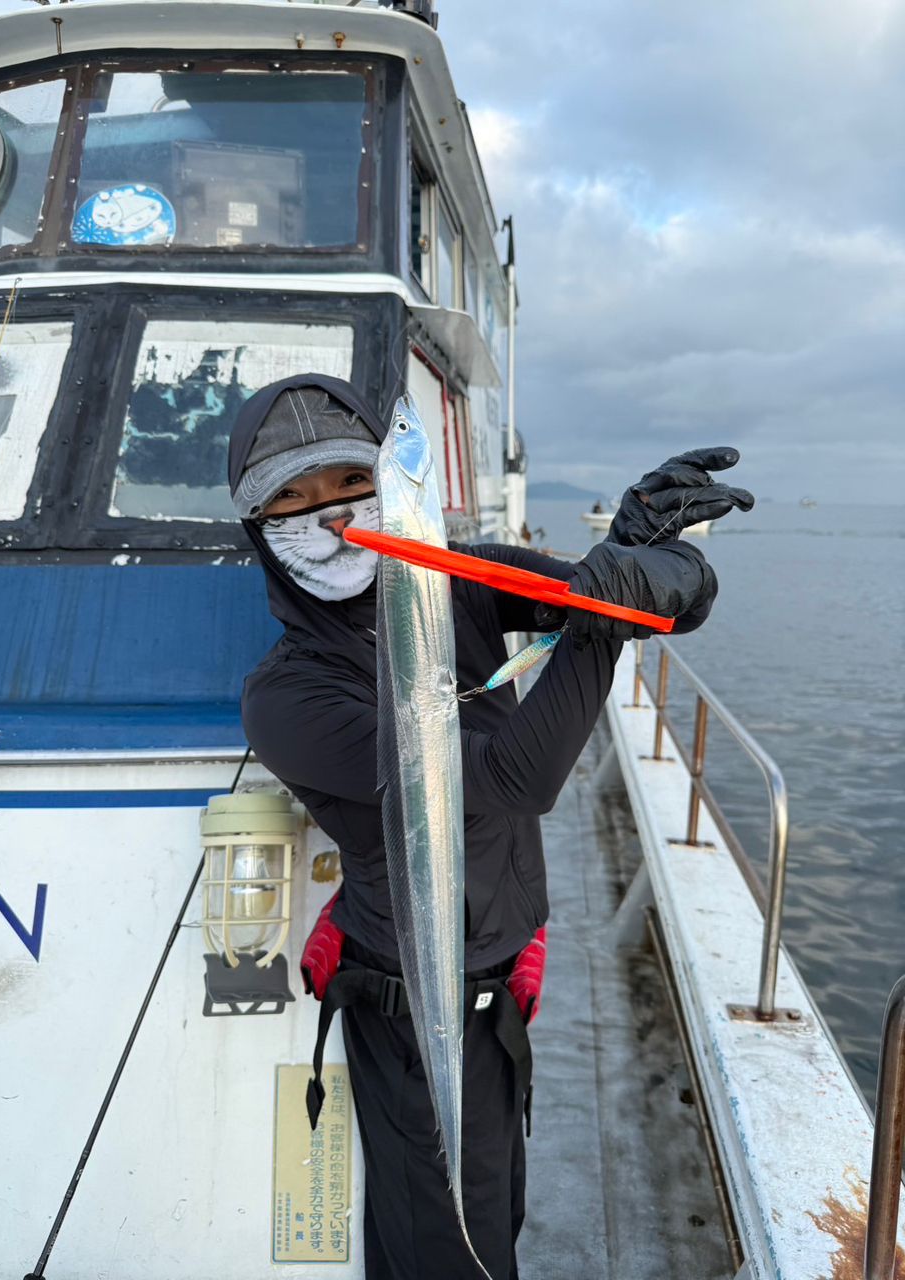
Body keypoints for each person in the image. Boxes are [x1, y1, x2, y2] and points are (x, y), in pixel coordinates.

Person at [228, 373, 753, 1280]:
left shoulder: (454, 589)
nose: (328, 515)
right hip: (413, 1009)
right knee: (450, 1257)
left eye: (350, 484)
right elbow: (518, 777)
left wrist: (645, 555)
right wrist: (601, 626)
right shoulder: (288, 698)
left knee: (494, 1221)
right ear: (259, 528)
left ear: (392, 491)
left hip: (502, 989)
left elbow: (637, 599)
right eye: (292, 497)